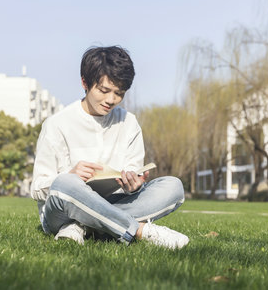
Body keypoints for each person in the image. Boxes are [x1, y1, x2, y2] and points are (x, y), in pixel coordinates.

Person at [30, 46, 189, 249]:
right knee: (65, 183)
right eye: (104, 91)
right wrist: (71, 175)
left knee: (173, 187)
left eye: (119, 93)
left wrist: (133, 186)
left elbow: (133, 172)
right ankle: (139, 230)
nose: (111, 100)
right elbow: (37, 188)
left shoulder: (129, 123)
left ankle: (84, 226)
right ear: (85, 83)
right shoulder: (56, 124)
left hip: (112, 202)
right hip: (62, 212)